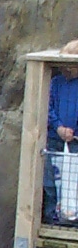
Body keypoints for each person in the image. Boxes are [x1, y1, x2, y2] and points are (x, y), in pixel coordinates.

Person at [44, 39, 78, 224]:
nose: (66, 68)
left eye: (70, 65)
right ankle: (53, 217)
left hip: (75, 141)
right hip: (54, 139)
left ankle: (72, 220)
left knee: (73, 182)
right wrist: (58, 127)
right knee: (51, 181)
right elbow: (46, 107)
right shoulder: (55, 83)